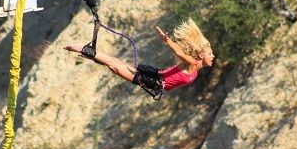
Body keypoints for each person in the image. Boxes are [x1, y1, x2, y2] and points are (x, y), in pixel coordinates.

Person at [64, 18, 215, 97]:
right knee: (115, 66)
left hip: (154, 77)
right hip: (153, 79)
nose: (213, 56)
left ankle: (89, 54)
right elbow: (180, 53)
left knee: (115, 65)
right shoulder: (193, 64)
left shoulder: (195, 71)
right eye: (210, 54)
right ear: (201, 56)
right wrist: (167, 40)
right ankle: (84, 50)